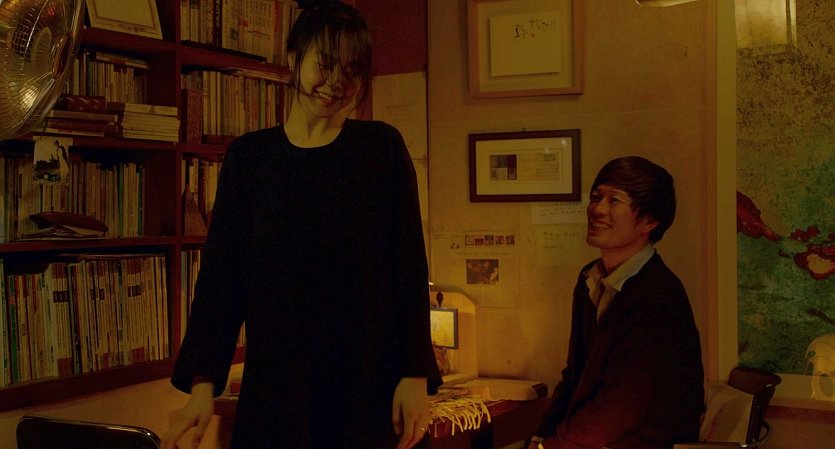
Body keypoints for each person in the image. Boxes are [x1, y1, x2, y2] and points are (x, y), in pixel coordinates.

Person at [161, 3, 441, 449]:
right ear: (294, 57)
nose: (335, 82)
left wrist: (415, 375)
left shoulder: (381, 149)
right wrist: (202, 386)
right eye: (324, 64)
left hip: (368, 393)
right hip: (276, 395)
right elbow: (221, 282)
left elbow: (408, 269)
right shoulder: (250, 159)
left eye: (351, 70)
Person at [528, 156, 705, 449]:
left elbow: (620, 406)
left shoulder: (657, 295)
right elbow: (575, 375)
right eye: (596, 197)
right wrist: (540, 437)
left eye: (615, 200)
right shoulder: (589, 279)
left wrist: (552, 446)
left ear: (649, 221)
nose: (598, 209)